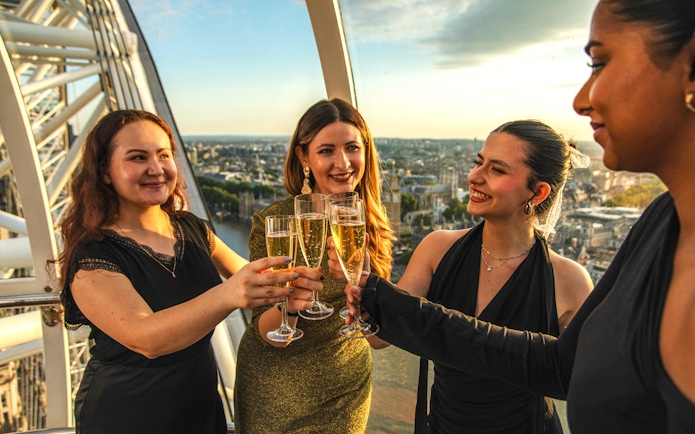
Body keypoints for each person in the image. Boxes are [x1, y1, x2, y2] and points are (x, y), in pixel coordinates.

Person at [344, 0, 695, 432]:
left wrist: (392, 306)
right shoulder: (664, 222)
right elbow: (561, 366)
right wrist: (376, 304)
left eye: (600, 62)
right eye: (479, 162)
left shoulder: (573, 275)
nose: (582, 100)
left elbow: (567, 371)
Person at [54, 109, 321, 434]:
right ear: (105, 172)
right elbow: (145, 338)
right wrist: (229, 293)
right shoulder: (94, 256)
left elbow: (255, 281)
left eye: (163, 155)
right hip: (128, 416)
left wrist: (290, 296)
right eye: (138, 158)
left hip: (200, 409)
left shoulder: (193, 229)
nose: (156, 169)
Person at [330, 120, 593, 433]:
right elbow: (379, 339)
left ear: (538, 192)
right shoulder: (437, 248)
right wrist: (366, 297)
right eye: (478, 162)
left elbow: (586, 384)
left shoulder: (570, 280)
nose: (473, 177)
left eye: (497, 169)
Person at [234, 98, 394, 433]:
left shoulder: (370, 222)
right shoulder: (275, 221)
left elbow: (379, 339)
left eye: (352, 147)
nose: (343, 162)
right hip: (274, 391)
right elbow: (266, 334)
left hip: (345, 392)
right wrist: (289, 305)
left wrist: (366, 299)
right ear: (303, 157)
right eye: (326, 151)